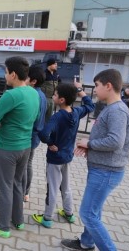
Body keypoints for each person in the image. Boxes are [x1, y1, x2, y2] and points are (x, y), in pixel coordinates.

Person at [61, 69, 129, 251]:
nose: (95, 90)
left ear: (108, 86)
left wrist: (90, 143)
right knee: (94, 210)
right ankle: (87, 242)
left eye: (97, 86)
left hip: (106, 171)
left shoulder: (117, 111)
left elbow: (115, 141)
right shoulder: (113, 108)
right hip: (103, 168)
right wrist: (89, 149)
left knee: (87, 214)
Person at [0, 56, 39, 238]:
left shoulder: (10, 95)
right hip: (25, 147)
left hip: (8, 148)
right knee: (16, 184)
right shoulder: (33, 93)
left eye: (6, 72)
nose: (5, 75)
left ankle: (2, 227)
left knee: (4, 187)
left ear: (13, 74)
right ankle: (18, 221)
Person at [32, 81, 95, 228]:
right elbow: (91, 106)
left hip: (55, 159)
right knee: (66, 187)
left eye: (54, 94)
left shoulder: (57, 117)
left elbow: (43, 133)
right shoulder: (76, 112)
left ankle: (47, 218)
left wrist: (49, 143)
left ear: (61, 100)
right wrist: (81, 91)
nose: (53, 96)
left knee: (52, 188)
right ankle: (69, 213)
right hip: (67, 156)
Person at [22, 66, 47, 202]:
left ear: (33, 81)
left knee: (26, 165)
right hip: (34, 136)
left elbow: (35, 119)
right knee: (28, 164)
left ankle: (24, 192)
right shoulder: (41, 94)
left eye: (26, 77)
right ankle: (25, 192)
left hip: (30, 136)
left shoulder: (34, 95)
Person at [41, 58, 61, 123]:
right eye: (55, 64)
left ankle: (46, 131)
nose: (56, 66)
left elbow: (60, 82)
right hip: (44, 98)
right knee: (41, 116)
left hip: (52, 99)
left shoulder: (56, 73)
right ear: (50, 65)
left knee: (49, 117)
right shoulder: (44, 73)